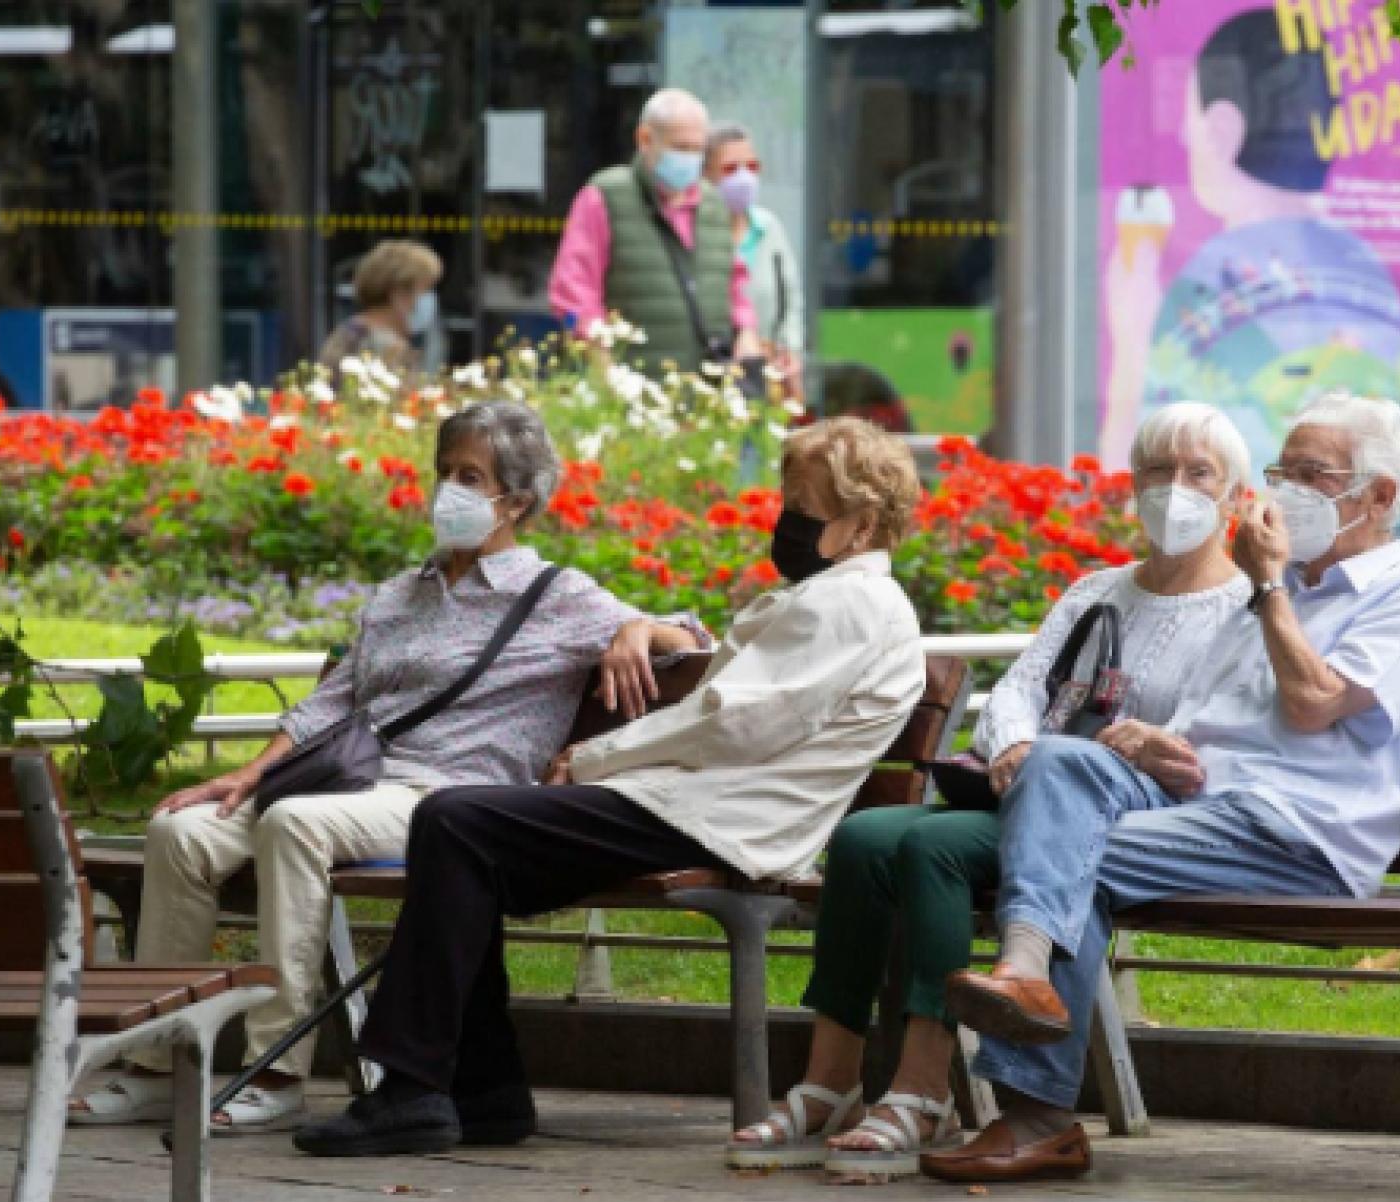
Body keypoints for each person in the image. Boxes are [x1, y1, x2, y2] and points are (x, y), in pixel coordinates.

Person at [293, 417, 927, 1157]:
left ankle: (417, 1088)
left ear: (862, 526)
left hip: (722, 819)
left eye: (804, 508)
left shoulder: (850, 603)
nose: (785, 522)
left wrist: (598, 756)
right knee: (462, 832)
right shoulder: (839, 596)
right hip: (700, 805)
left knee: (457, 824)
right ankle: (478, 1092)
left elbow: (733, 721)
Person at [69, 400, 707, 1135]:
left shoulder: (555, 596)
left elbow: (694, 637)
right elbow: (331, 703)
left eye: (471, 477)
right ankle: (158, 1064)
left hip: (448, 800)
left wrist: (636, 627)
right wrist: (248, 774)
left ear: (516, 502)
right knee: (180, 832)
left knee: (294, 824)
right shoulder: (402, 593)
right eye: (445, 472)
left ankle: (276, 1068)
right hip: (352, 782)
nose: (449, 491)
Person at [932, 391, 1400, 1183]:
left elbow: (1314, 702)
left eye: (1311, 475)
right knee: (1055, 760)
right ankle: (1024, 973)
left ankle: (1036, 1111)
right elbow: (1210, 728)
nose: (1285, 491)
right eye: (1282, 472)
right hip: (1201, 805)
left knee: (1070, 858)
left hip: (1299, 833)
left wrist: (1270, 587)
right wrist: (1159, 745)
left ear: (1380, 495)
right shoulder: (1275, 594)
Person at [725, 403, 1258, 1181]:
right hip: (1031, 795)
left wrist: (1093, 755)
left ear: (1234, 495)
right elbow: (1019, 688)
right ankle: (830, 1082)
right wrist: (1012, 744)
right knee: (864, 837)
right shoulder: (1097, 591)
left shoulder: (1243, 609)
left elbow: (1204, 737)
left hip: (1125, 821)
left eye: (1198, 473)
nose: (1173, 488)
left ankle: (922, 1091)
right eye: (1156, 470)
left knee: (932, 846)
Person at [1097, 7, 1400, 476]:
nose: (1185, 139)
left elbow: (1136, 483)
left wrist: (1131, 342)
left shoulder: (1202, 289)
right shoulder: (1365, 266)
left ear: (1222, 129)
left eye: (1189, 119)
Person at [549, 88, 759, 372]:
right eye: (681, 148)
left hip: (707, 385)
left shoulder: (714, 205)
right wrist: (600, 360)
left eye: (698, 150)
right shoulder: (604, 198)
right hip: (630, 385)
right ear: (645, 139)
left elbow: (734, 285)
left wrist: (746, 331)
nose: (690, 159)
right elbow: (573, 289)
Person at [704, 122, 805, 380]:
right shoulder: (696, 233)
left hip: (767, 372)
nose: (744, 177)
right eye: (730, 168)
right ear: (705, 174)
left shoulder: (769, 228)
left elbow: (791, 300)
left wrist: (790, 349)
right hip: (712, 371)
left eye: (752, 166)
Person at [317, 240, 442, 379]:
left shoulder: (349, 332)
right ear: (398, 292)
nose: (427, 298)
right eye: (425, 289)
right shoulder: (382, 345)